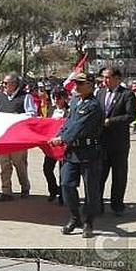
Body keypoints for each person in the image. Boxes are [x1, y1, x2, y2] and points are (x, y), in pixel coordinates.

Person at [49, 71, 104, 238]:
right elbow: (69, 122)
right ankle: (75, 217)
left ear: (90, 85)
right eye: (76, 84)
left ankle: (88, 222)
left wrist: (62, 138)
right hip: (72, 152)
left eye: (80, 84)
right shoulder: (74, 102)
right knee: (66, 184)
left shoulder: (93, 106)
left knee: (91, 189)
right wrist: (61, 133)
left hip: (89, 152)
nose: (76, 86)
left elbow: (79, 126)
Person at [95, 68, 136, 216]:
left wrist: (110, 121)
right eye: (103, 78)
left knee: (119, 175)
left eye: (108, 78)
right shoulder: (99, 93)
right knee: (99, 175)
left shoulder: (127, 94)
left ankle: (117, 205)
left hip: (119, 142)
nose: (105, 81)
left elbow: (130, 116)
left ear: (117, 78)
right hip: (101, 142)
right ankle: (97, 204)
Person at [0, 73, 34, 201]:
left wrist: (17, 117)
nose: (3, 85)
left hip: (18, 138)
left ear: (14, 84)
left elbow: (32, 114)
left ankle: (25, 188)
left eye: (6, 83)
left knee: (20, 164)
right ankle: (6, 191)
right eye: (3, 83)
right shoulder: (0, 97)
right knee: (4, 165)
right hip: (3, 137)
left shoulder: (25, 97)